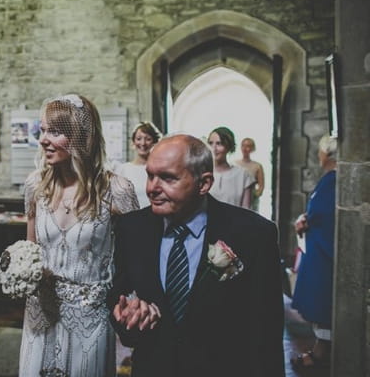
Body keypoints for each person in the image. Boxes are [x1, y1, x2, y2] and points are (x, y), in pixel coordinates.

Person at [107, 134, 285, 377]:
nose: (152, 188)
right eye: (150, 176)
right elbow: (118, 296)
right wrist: (129, 317)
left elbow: (266, 330)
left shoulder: (252, 234)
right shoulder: (132, 229)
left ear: (204, 183)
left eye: (168, 178)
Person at [21, 94, 139, 377]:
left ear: (81, 136)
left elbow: (138, 257)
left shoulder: (116, 190)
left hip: (90, 319)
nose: (43, 139)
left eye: (55, 131)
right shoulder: (35, 186)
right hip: (41, 314)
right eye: (43, 130)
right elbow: (29, 251)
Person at [290, 134, 337, 370]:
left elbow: (326, 217)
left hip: (325, 253)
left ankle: (321, 354)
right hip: (318, 249)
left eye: (320, 151)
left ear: (326, 154)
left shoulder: (335, 180)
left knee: (324, 304)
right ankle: (319, 350)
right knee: (321, 305)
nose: (318, 155)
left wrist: (308, 222)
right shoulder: (328, 180)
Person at [115, 121, 162, 208]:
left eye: (148, 139)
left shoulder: (158, 169)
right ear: (133, 142)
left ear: (154, 142)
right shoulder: (123, 169)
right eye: (139, 139)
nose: (143, 143)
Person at [207, 126, 255, 209]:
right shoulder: (202, 173)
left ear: (229, 146)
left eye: (219, 143)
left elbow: (246, 211)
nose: (214, 148)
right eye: (211, 143)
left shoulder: (243, 175)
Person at [235, 137, 265, 212]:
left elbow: (261, 186)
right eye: (243, 145)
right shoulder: (234, 164)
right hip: (236, 197)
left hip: (252, 200)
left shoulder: (257, 166)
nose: (245, 148)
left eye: (248, 146)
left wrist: (255, 196)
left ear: (252, 149)